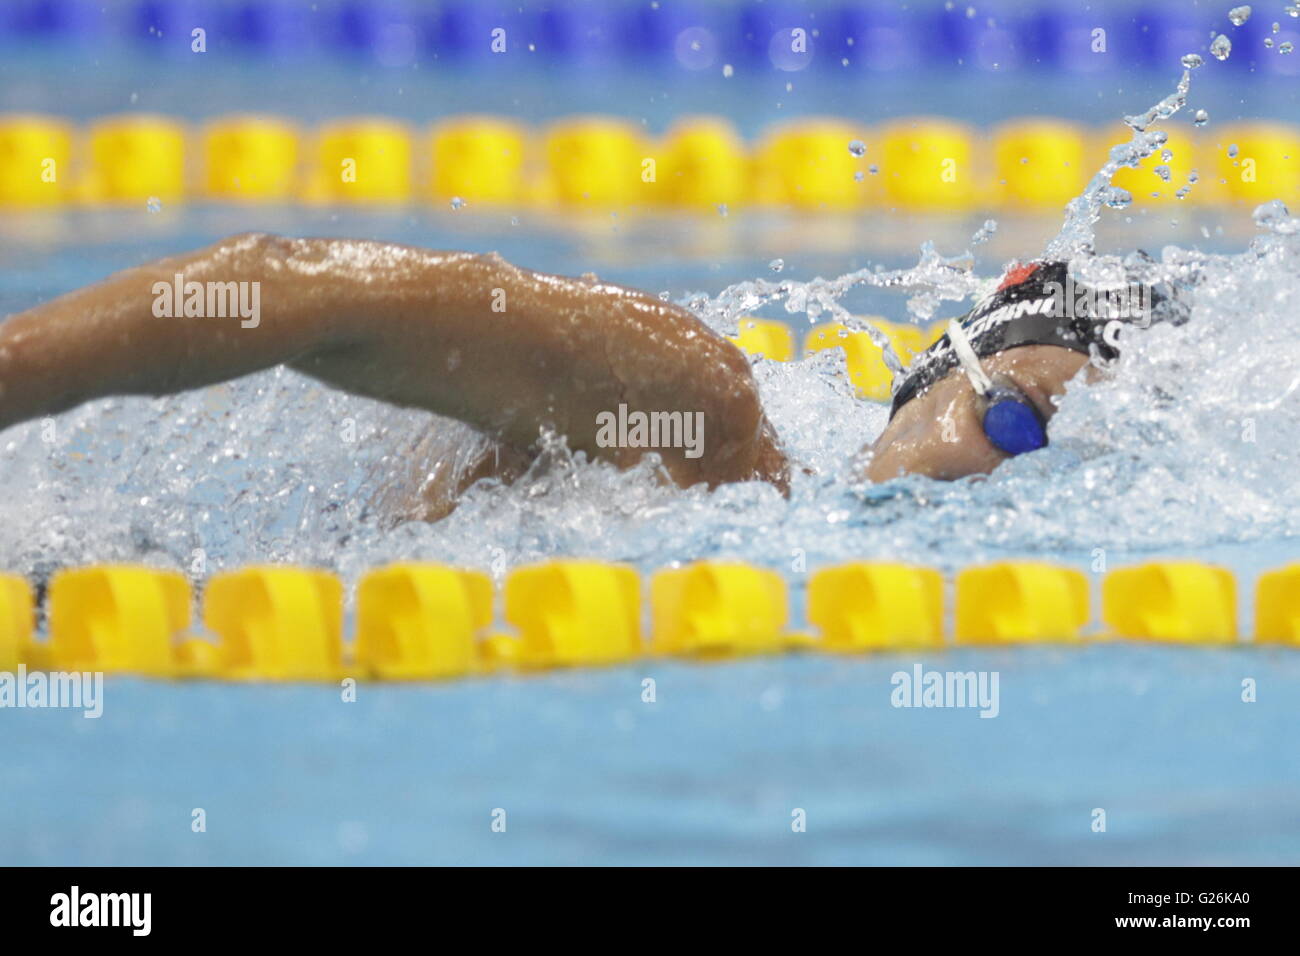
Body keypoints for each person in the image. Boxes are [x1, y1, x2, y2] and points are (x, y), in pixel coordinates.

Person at [0, 234, 1165, 521]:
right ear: (932, 375)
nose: (998, 482)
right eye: (1013, 418)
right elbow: (298, 285)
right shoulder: (702, 414)